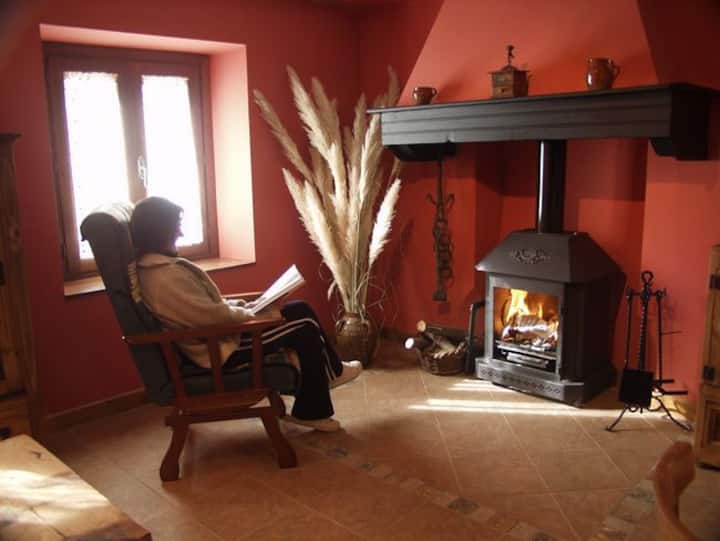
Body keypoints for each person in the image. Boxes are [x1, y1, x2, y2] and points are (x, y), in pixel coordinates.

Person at [129, 196, 361, 432]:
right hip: (219, 350)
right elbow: (211, 318)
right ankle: (313, 409)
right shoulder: (164, 279)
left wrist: (248, 306)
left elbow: (206, 307)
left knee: (299, 308)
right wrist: (253, 314)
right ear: (158, 233)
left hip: (220, 336)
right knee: (303, 326)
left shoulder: (161, 269)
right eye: (174, 228)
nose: (180, 233)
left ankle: (333, 372)